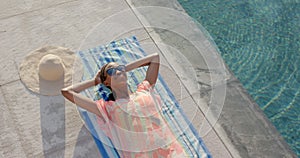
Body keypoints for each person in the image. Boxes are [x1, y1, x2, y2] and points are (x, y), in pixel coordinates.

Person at [61, 53, 186, 157]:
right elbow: (67, 92)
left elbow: (155, 58)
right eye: (111, 71)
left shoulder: (144, 90)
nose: (118, 71)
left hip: (172, 151)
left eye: (120, 69)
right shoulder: (107, 107)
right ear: (106, 82)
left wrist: (123, 69)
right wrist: (95, 81)